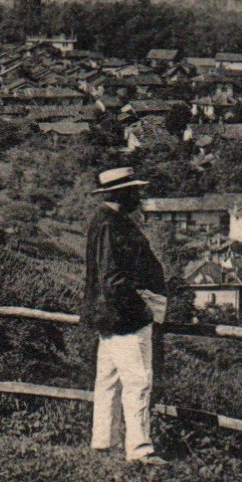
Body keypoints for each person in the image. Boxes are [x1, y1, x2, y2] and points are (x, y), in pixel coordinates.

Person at [82, 166, 169, 465]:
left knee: (109, 379)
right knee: (138, 380)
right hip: (123, 316)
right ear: (121, 193)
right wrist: (142, 310)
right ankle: (140, 450)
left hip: (108, 314)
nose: (138, 195)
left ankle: (103, 441)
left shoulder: (104, 221)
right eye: (134, 190)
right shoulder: (112, 225)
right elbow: (112, 278)